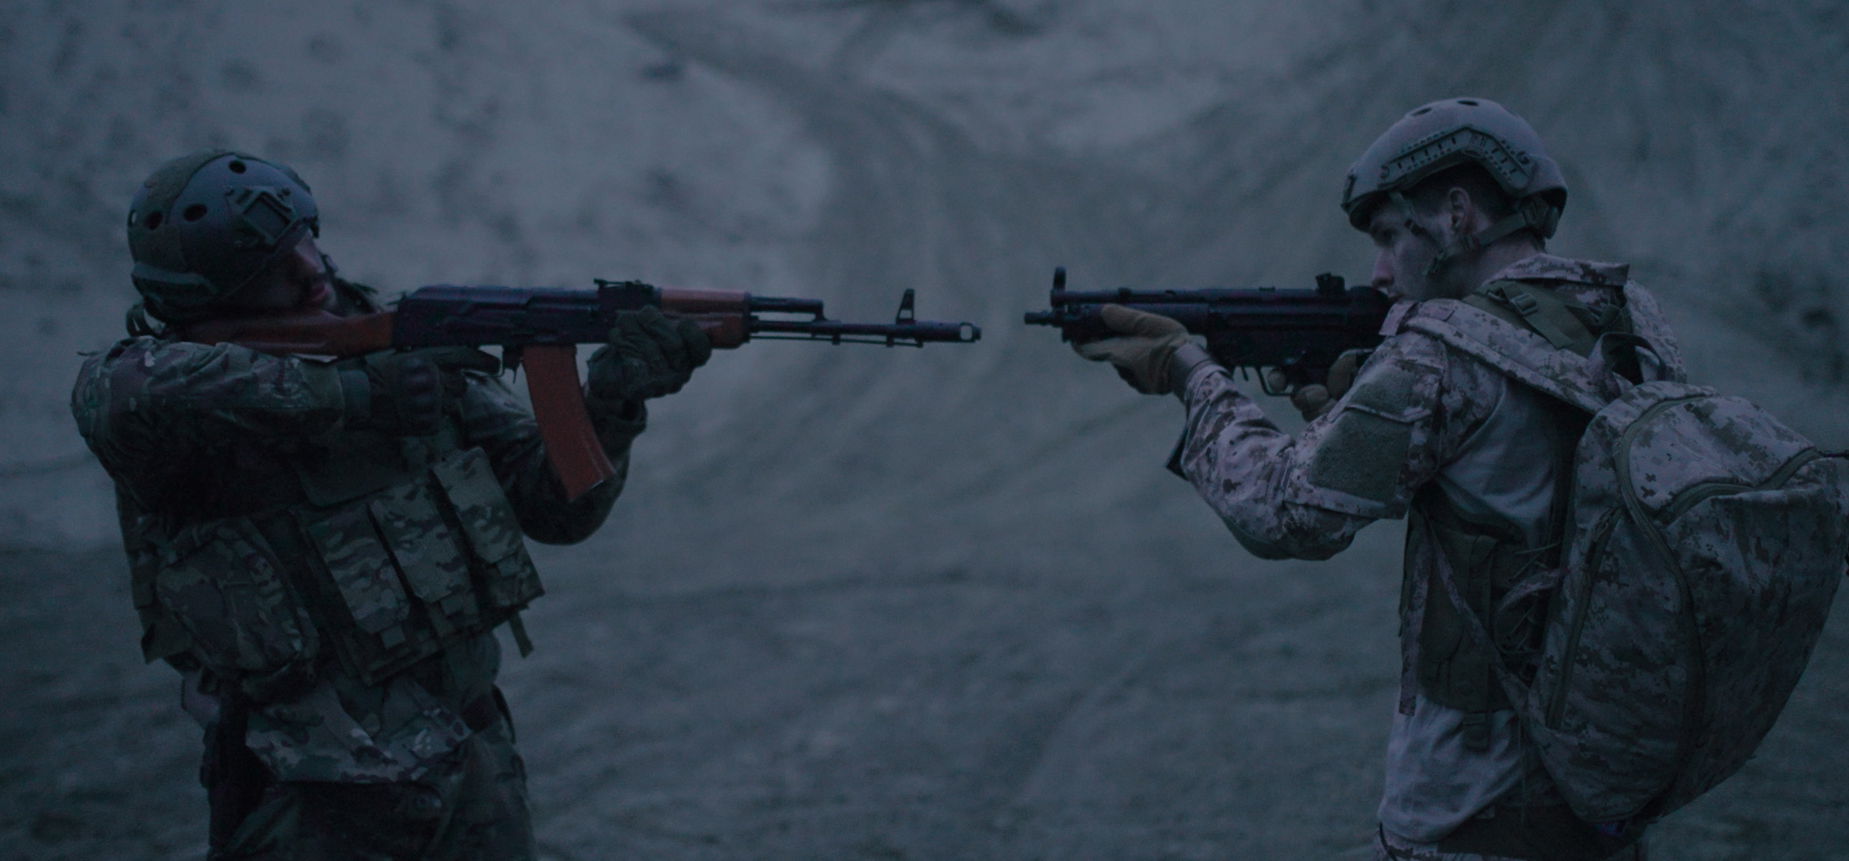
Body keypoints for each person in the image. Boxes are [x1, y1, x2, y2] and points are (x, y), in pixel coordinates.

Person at [1071, 98, 1670, 860]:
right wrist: (1347, 413)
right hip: (1606, 785)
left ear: (1457, 215)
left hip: (1473, 809)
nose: (1380, 272)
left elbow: (1284, 512)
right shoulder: (1630, 326)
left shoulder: (1443, 356)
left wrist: (1191, 372)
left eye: (1391, 236)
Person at [71, 149, 711, 859]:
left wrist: (611, 403)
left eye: (304, 240)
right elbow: (123, 393)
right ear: (205, 301)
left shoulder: (400, 342)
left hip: (471, 759)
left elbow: (558, 509)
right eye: (269, 270)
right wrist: (354, 395)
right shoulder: (168, 396)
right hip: (316, 791)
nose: (310, 270)